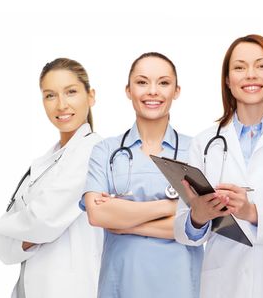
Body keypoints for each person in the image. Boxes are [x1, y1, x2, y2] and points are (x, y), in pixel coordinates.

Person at [174, 34, 263, 297]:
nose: (250, 74)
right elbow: (183, 232)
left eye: (261, 65)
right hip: (223, 283)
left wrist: (253, 213)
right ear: (227, 80)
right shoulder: (204, 142)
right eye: (239, 67)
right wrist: (198, 216)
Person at [82, 52, 201, 297]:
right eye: (142, 82)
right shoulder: (106, 150)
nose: (153, 91)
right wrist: (172, 206)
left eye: (164, 83)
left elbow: (198, 227)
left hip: (178, 286)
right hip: (121, 283)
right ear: (128, 90)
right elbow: (97, 214)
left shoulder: (197, 150)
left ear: (176, 91)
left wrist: (124, 221)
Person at [0, 58, 105, 298]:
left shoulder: (93, 152)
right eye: (50, 95)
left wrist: (4, 227)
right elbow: (2, 249)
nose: (61, 105)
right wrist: (22, 237)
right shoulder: (43, 163)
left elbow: (42, 221)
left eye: (71, 92)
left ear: (91, 96)